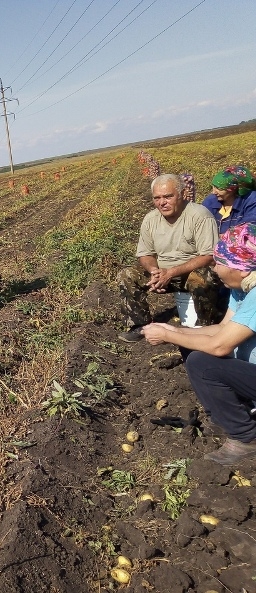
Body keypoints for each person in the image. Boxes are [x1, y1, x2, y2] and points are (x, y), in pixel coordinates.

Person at [142, 222, 256, 465]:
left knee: (204, 363)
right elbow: (222, 329)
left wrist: (167, 336)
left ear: (242, 268)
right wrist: (175, 330)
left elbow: (220, 346)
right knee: (192, 344)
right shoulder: (243, 287)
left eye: (220, 263)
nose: (214, 269)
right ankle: (230, 415)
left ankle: (246, 437)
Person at [117, 173, 220, 342]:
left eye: (168, 196)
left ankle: (207, 326)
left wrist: (171, 272)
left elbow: (209, 256)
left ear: (181, 194)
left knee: (205, 277)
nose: (162, 202)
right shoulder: (150, 219)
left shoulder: (199, 215)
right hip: (163, 273)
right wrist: (153, 271)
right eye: (157, 198)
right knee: (127, 275)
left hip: (190, 272)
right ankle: (139, 325)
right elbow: (145, 253)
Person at [201, 165, 256, 234]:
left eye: (220, 189)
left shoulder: (251, 200)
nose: (214, 192)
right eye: (213, 187)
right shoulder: (210, 201)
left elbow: (249, 230)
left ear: (233, 190)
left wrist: (223, 238)